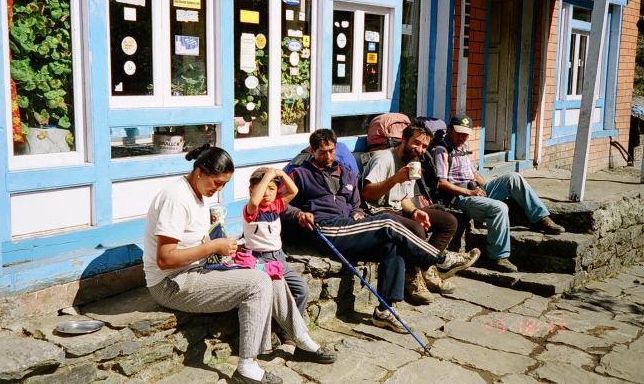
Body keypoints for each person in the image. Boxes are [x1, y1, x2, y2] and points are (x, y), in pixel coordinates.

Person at [143, 144, 336, 384]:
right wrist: (213, 247)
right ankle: (247, 367)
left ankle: (302, 340)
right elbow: (165, 259)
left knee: (269, 273)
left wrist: (229, 247)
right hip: (171, 283)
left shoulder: (197, 193)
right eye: (217, 182)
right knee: (257, 283)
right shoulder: (176, 198)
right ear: (201, 171)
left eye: (224, 184)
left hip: (195, 269)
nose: (219, 189)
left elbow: (192, 241)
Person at [285, 129, 477, 334]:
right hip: (325, 230)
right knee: (388, 222)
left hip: (349, 228)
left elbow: (356, 204)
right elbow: (279, 204)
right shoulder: (300, 173)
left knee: (392, 247)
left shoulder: (346, 173)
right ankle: (440, 260)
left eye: (331, 151)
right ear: (312, 151)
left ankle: (386, 310)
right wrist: (298, 214)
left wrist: (357, 213)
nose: (328, 156)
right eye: (322, 152)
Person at [362, 121, 480, 304]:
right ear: (404, 139)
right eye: (416, 143)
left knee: (449, 222)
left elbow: (405, 198)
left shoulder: (413, 162)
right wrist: (395, 179)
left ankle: (428, 269)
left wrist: (416, 211)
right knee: (417, 230)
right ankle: (414, 277)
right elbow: (368, 194)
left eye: (424, 146)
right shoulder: (384, 158)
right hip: (377, 212)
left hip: (399, 209)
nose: (420, 149)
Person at [434, 114, 565, 273]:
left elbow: (473, 173)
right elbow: (441, 183)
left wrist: (487, 188)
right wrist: (470, 192)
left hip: (474, 190)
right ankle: (498, 257)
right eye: (459, 133)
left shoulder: (463, 147)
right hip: (459, 197)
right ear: (449, 129)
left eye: (465, 134)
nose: (462, 137)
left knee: (514, 178)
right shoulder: (442, 150)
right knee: (499, 208)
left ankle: (540, 217)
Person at [244, 167, 309, 315]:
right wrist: (267, 176)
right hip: (260, 260)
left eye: (271, 189)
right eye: (262, 189)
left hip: (279, 259)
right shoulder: (251, 210)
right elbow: (255, 200)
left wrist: (280, 174)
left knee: (302, 290)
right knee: (273, 296)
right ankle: (274, 331)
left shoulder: (276, 206)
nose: (266, 194)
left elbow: (293, 191)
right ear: (251, 190)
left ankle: (290, 331)